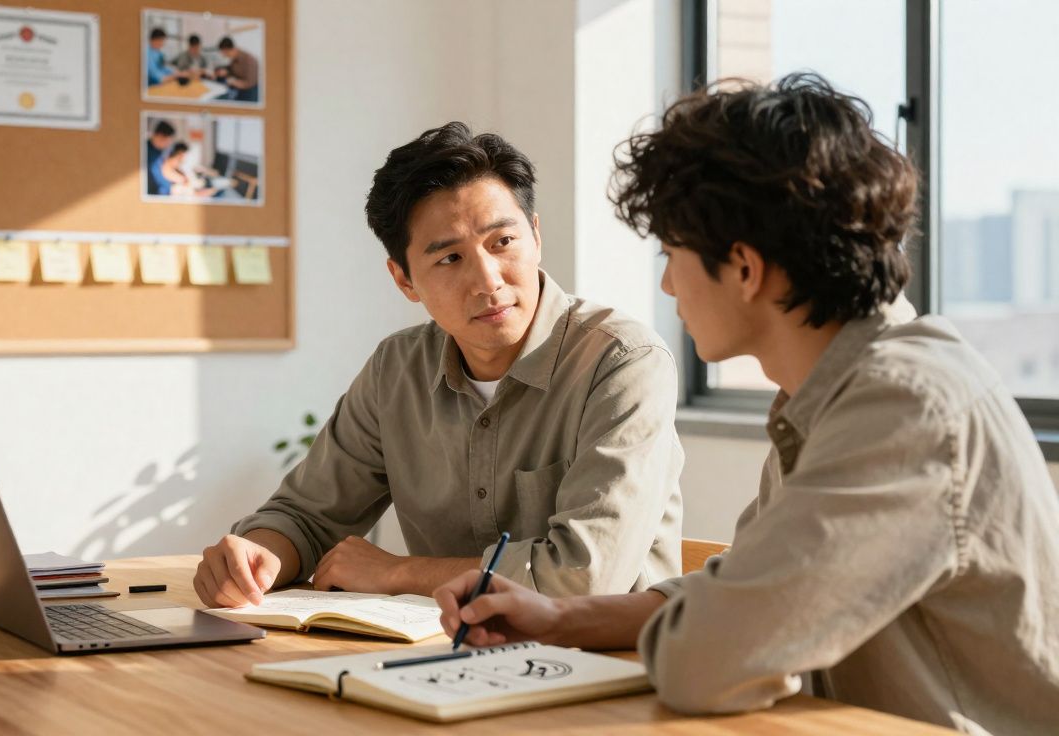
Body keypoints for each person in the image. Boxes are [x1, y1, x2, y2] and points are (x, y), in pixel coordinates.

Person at [432, 73, 1059, 736]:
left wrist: (687, 626)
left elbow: (708, 659)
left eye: (672, 255)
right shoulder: (836, 391)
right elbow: (739, 591)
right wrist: (561, 620)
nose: (669, 284)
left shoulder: (902, 407)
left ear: (744, 268)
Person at [194, 122, 683, 608]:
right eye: (449, 258)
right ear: (404, 280)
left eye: (502, 242)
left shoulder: (623, 361)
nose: (487, 280)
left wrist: (399, 572)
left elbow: (584, 573)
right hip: (439, 660)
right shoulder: (397, 370)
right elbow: (305, 517)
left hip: (600, 665)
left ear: (535, 234)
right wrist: (258, 555)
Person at [214, 36, 259, 103]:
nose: (224, 56)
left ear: (230, 49)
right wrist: (226, 72)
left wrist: (233, 82)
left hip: (249, 92)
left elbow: (249, 83)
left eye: (225, 53)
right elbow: (232, 69)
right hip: (238, 87)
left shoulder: (249, 60)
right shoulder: (234, 58)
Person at [145, 120, 175, 196]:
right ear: (160, 136)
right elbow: (156, 176)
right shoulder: (147, 152)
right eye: (167, 141)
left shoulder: (158, 151)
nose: (167, 145)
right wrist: (169, 189)